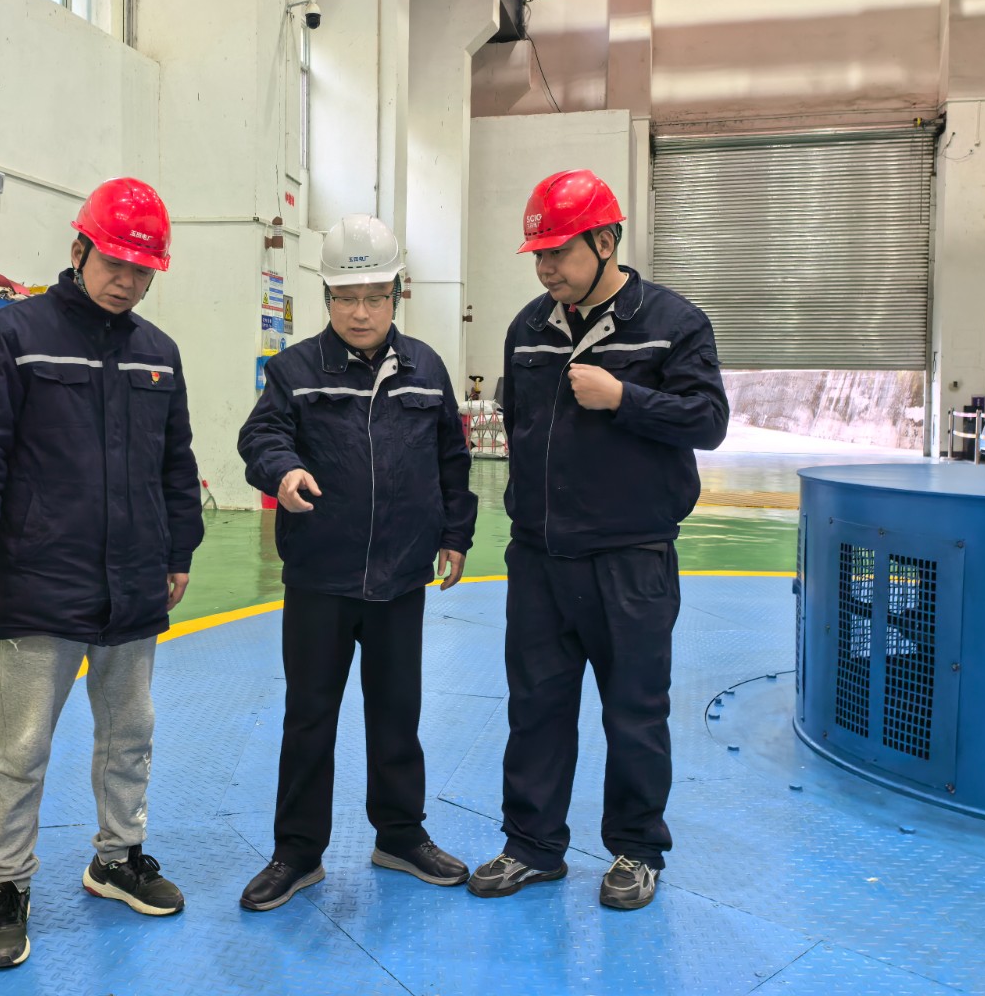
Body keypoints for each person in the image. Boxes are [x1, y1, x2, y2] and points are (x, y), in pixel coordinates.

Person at [0, 177, 203, 968]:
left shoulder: (158, 353)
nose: (126, 280)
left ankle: (118, 858)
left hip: (133, 582)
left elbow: (176, 463)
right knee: (21, 747)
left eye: (142, 269)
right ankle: (7, 885)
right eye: (114, 262)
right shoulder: (13, 336)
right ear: (79, 248)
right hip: (38, 580)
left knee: (131, 734)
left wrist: (179, 550)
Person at [467, 170, 728, 911]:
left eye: (560, 252)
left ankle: (637, 850)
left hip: (630, 558)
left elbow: (709, 421)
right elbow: (518, 426)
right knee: (536, 707)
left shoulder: (673, 323)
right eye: (539, 255)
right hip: (541, 559)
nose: (547, 269)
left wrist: (625, 398)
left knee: (634, 711)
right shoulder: (528, 328)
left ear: (606, 241)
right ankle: (532, 846)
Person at [236, 214, 478, 911]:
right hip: (321, 578)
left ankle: (400, 835)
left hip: (401, 578)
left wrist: (455, 534)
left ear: (396, 293)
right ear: (328, 298)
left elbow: (452, 459)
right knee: (309, 717)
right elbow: (262, 437)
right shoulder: (294, 370)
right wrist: (282, 471)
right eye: (346, 297)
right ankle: (296, 853)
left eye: (374, 296)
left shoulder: (427, 368)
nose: (361, 312)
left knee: (397, 713)